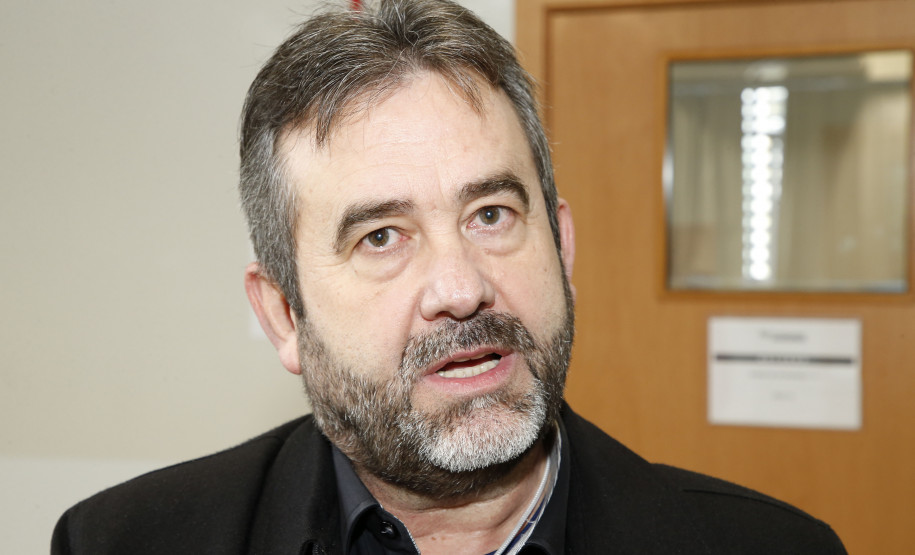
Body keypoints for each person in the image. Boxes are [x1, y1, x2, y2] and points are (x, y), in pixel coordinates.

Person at [51, 1, 847, 553]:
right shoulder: (124, 541)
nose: (460, 287)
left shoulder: (771, 546)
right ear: (283, 314)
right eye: (382, 236)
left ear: (561, 247)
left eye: (491, 215)